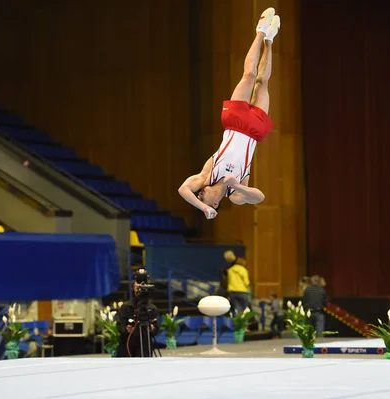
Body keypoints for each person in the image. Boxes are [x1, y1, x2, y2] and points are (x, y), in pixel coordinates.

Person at [178, 7, 281, 219]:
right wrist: (239, 186)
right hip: (254, 132)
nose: (200, 194)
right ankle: (269, 40)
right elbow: (259, 197)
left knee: (249, 75)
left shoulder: (206, 176)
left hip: (234, 122)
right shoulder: (235, 194)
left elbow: (183, 190)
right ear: (216, 202)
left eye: (200, 197)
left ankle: (260, 31)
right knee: (262, 83)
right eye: (203, 198)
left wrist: (204, 208)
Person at [115, 270, 160, 357]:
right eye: (138, 282)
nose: (140, 285)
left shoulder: (152, 309)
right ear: (133, 286)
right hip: (127, 346)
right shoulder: (126, 307)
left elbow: (156, 329)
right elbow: (119, 325)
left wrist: (152, 329)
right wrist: (126, 329)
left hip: (145, 346)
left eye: (143, 283)